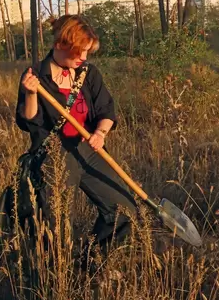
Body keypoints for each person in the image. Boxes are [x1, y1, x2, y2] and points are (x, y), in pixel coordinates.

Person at [15, 15, 138, 272]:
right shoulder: (36, 76)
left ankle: (88, 263)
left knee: (125, 211)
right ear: (61, 44)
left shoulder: (88, 73)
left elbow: (106, 111)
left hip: (90, 150)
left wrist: (101, 133)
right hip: (56, 153)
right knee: (57, 222)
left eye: (87, 51)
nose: (83, 57)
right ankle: (54, 277)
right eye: (78, 51)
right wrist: (30, 93)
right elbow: (29, 122)